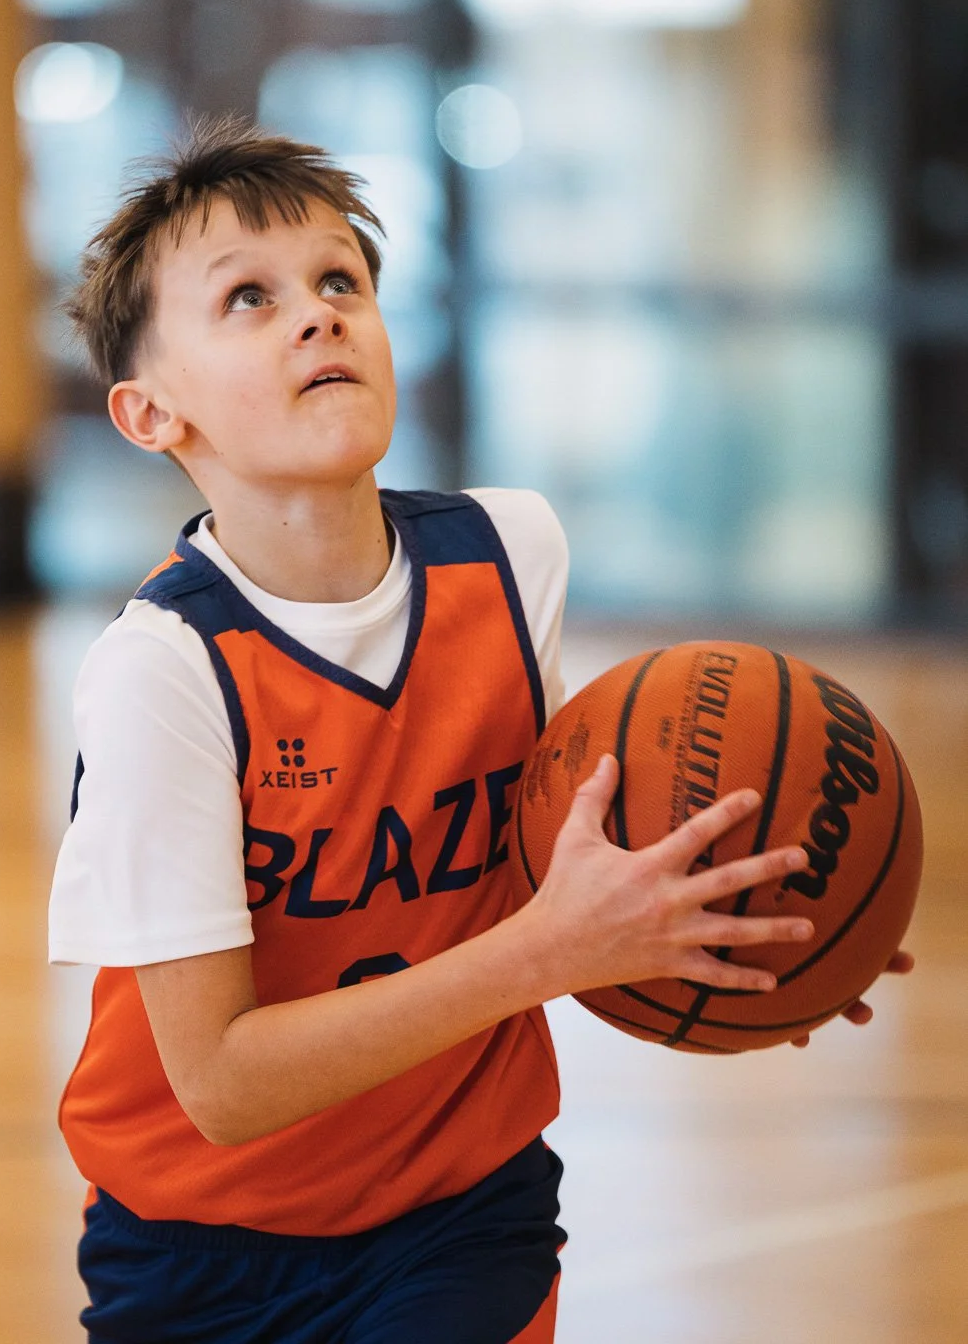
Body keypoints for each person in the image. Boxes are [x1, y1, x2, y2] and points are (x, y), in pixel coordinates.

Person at [47, 115, 905, 1343]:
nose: (317, 315)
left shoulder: (509, 554)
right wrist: (545, 953)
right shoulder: (162, 673)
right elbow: (223, 1084)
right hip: (200, 1249)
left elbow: (564, 856)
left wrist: (767, 902)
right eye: (248, 297)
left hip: (462, 1213)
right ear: (149, 414)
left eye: (340, 280)